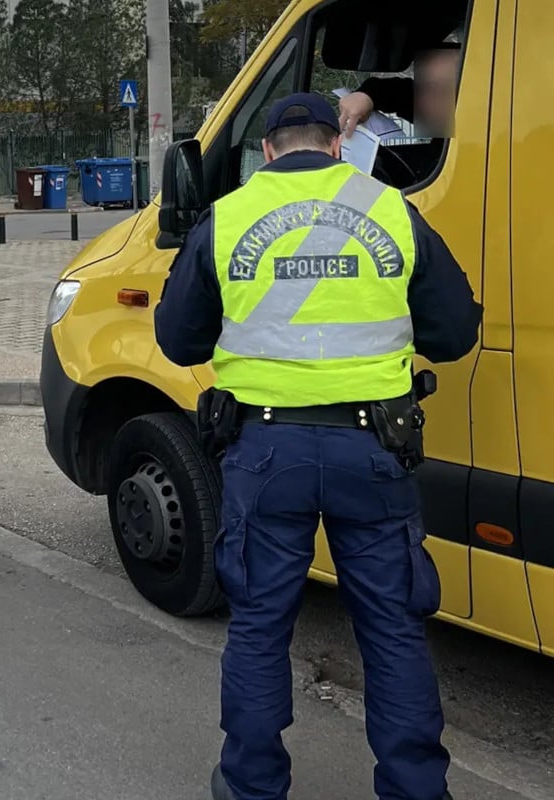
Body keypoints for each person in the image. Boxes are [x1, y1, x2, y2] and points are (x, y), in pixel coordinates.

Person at [153, 92, 482, 800]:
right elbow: (454, 335)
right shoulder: (389, 208)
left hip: (264, 453)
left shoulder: (229, 215)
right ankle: (416, 789)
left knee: (260, 626)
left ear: (267, 151)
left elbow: (176, 340)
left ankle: (251, 785)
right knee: (392, 630)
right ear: (337, 146)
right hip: (374, 450)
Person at [337, 42, 461, 180]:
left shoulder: (476, 141)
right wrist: (366, 96)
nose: (429, 96)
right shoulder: (440, 118)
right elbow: (398, 92)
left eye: (442, 85)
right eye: (426, 84)